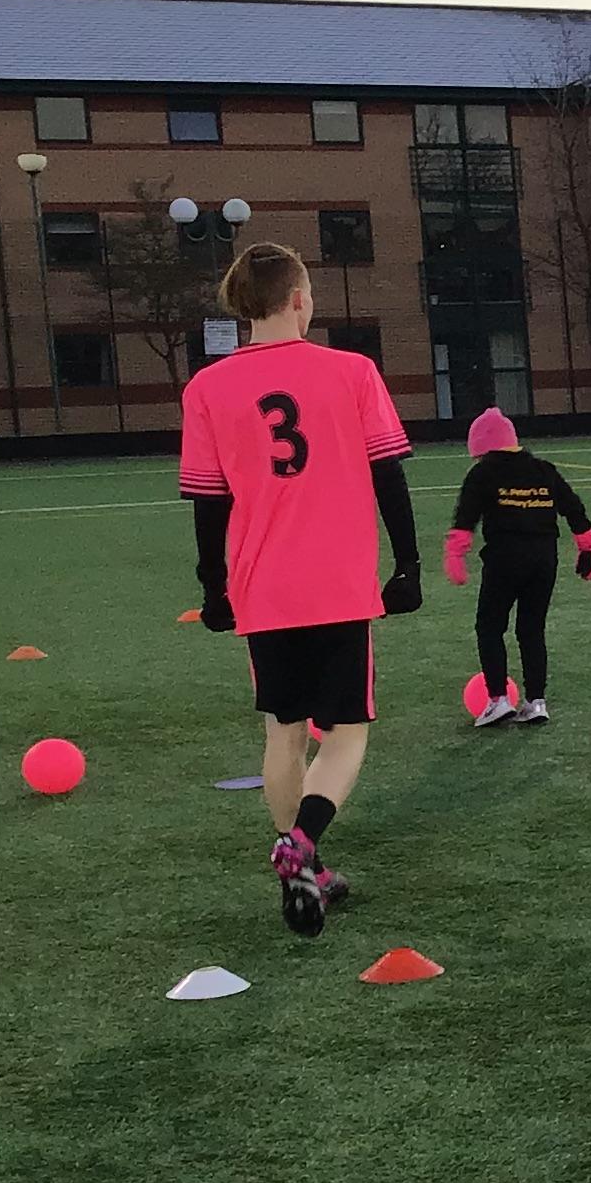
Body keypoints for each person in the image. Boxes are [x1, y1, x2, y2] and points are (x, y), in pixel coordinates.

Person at [176, 242, 422, 938]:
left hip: (263, 587)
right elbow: (389, 475)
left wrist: (214, 587)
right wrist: (408, 565)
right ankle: (302, 844)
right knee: (345, 734)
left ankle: (301, 867)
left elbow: (208, 503)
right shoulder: (352, 371)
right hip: (338, 584)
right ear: (299, 299)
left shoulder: (206, 389)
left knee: (283, 734)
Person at [443, 404, 591, 727]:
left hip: (504, 559)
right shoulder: (544, 470)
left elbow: (465, 517)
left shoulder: (483, 474)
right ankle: (536, 701)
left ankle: (498, 700)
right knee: (531, 629)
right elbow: (574, 508)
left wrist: (456, 554)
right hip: (544, 560)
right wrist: (587, 548)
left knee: (489, 626)